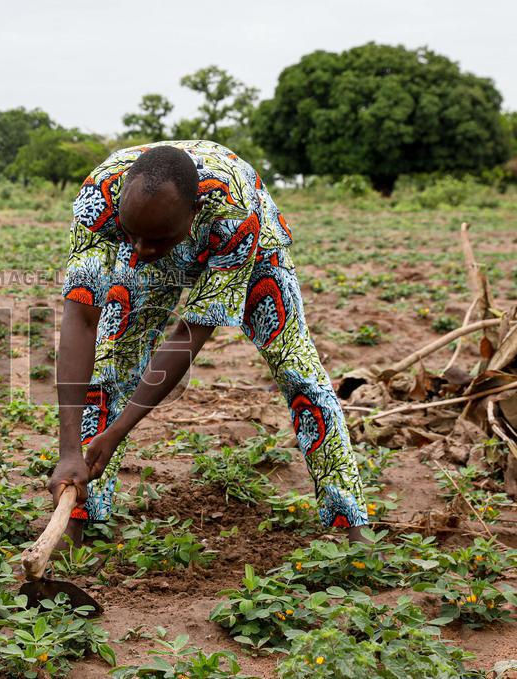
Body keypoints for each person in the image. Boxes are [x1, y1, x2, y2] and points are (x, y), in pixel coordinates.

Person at [47, 140, 368, 545]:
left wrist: (118, 432)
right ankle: (75, 519)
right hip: (155, 230)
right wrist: (69, 448)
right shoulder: (101, 196)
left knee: (299, 374)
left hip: (251, 248)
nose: (142, 252)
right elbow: (81, 315)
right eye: (132, 236)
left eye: (155, 241)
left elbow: (188, 335)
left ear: (194, 212)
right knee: (109, 371)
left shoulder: (234, 211)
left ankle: (352, 524)